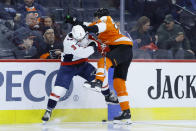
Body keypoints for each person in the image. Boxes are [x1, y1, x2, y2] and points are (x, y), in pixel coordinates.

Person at [66, 8, 133, 124]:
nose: (94, 19)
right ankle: (126, 113)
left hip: (121, 47)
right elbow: (85, 25)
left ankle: (98, 82)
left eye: (95, 17)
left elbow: (95, 27)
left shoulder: (106, 19)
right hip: (124, 50)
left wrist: (86, 29)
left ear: (99, 16)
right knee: (118, 82)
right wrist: (72, 20)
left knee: (103, 62)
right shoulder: (100, 24)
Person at [41, 25, 118, 123]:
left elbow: (93, 38)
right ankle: (49, 110)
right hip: (68, 67)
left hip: (83, 65)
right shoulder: (68, 42)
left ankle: (107, 96)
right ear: (73, 35)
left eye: (83, 37)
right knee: (59, 91)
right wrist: (94, 45)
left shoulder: (84, 33)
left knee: (102, 79)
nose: (81, 40)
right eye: (79, 39)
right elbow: (84, 53)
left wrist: (101, 45)